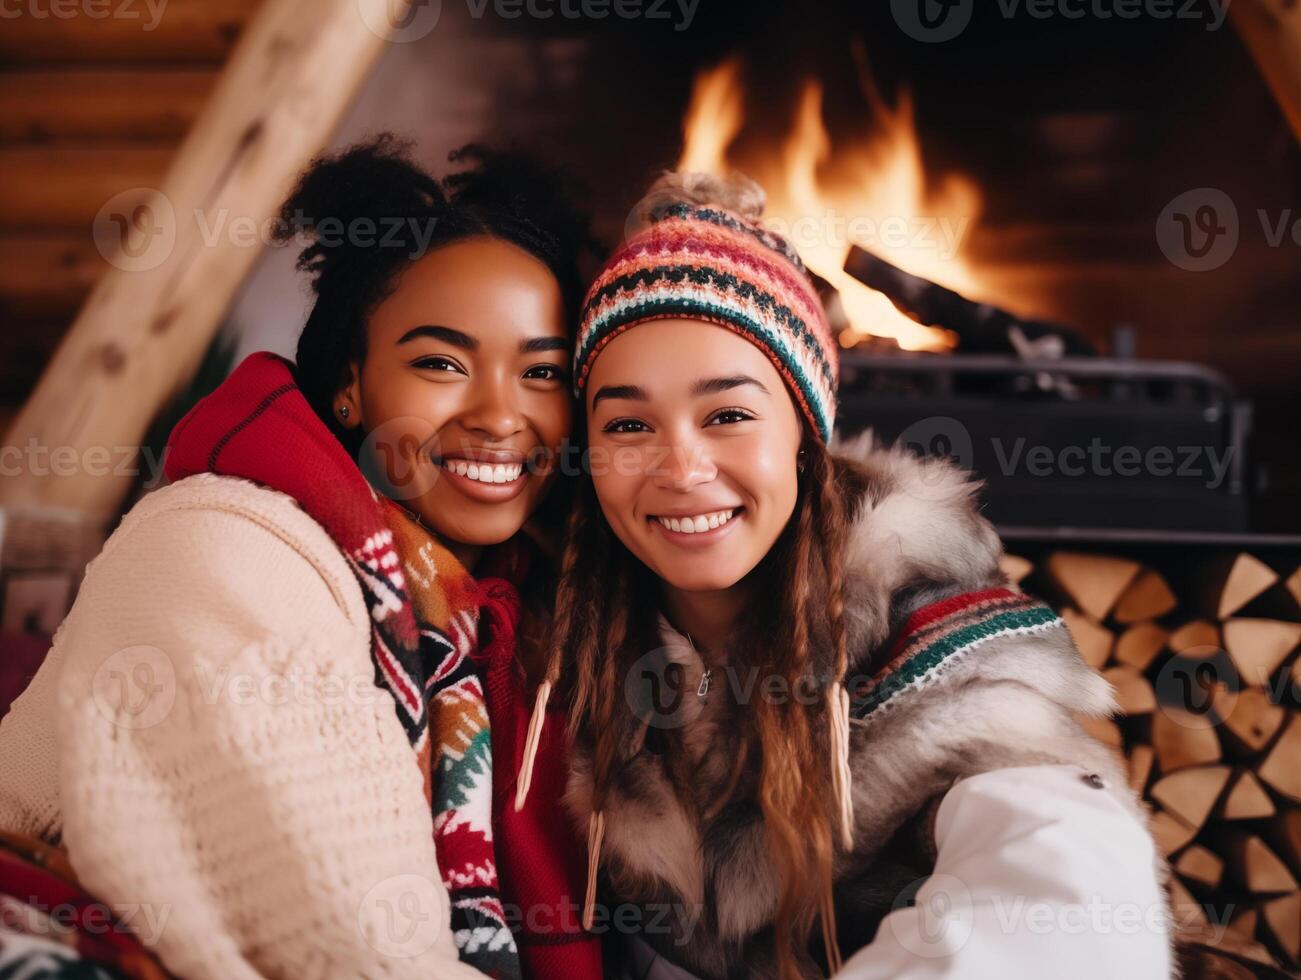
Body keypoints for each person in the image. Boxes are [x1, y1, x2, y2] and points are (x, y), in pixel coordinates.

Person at [535, 171, 1173, 979]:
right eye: (627, 423)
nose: (680, 467)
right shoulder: (565, 636)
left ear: (806, 435)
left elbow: (1065, 887)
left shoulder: (931, 639)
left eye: (728, 415)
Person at [0, 135, 602, 980]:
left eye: (542, 374)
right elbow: (348, 942)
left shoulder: (511, 603)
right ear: (351, 382)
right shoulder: (230, 545)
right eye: (439, 363)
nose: (501, 415)